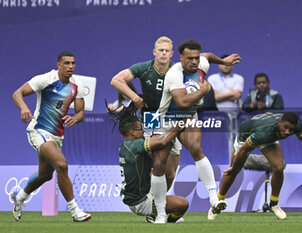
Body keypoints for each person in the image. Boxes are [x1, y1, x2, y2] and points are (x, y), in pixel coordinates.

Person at [152, 39, 242, 223]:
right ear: (181, 58)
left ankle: (214, 199)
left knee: (196, 149)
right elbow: (182, 102)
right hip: (166, 121)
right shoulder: (174, 75)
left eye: (196, 58)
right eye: (189, 58)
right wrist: (205, 89)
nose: (194, 62)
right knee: (162, 168)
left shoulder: (201, 62)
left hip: (188, 118)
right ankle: (159, 212)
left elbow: (207, 56)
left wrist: (223, 62)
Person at [11, 51, 91, 222]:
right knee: (61, 164)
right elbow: (17, 93)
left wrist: (75, 118)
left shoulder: (77, 85)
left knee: (45, 175)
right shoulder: (46, 79)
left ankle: (20, 198)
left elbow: (81, 112)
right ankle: (76, 211)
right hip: (38, 130)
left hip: (57, 136)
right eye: (67, 63)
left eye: (73, 63)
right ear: (59, 65)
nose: (71, 67)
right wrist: (24, 107)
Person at [217, 112, 302, 220]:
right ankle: (217, 203)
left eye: (291, 130)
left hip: (269, 138)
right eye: (285, 127)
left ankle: (274, 204)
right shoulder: (263, 132)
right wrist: (234, 166)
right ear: (280, 123)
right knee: (233, 171)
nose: (287, 132)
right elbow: (243, 150)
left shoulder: (296, 126)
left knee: (279, 168)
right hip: (246, 136)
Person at [111, 36, 180, 190]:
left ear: (172, 53)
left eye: (167, 51)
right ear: (154, 52)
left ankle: (157, 203)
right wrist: (135, 98)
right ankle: (150, 205)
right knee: (155, 166)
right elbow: (116, 80)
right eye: (160, 50)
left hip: (172, 117)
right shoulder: (143, 68)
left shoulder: (178, 70)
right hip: (151, 116)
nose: (163, 53)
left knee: (170, 174)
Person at [106, 102, 189, 223]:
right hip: (141, 202)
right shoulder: (135, 145)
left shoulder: (125, 146)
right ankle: (166, 219)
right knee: (182, 204)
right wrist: (180, 124)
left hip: (136, 197)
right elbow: (161, 141)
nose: (144, 132)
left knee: (158, 171)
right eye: (141, 129)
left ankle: (157, 215)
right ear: (132, 132)